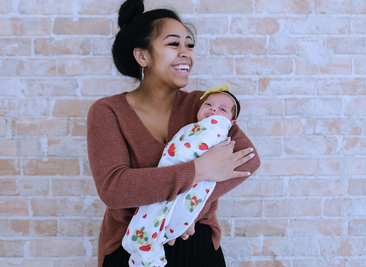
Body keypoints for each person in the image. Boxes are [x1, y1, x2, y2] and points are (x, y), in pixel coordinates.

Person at [86, 0, 261, 266]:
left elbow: (248, 159)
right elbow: (114, 188)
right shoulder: (108, 112)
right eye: (173, 44)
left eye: (189, 45)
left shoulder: (202, 105)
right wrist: (198, 171)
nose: (186, 53)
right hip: (131, 244)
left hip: (195, 239)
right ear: (142, 55)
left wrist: (186, 213)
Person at [122, 85, 241, 267]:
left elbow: (190, 151)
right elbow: (113, 189)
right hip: (170, 185)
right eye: (208, 104)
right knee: (151, 218)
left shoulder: (216, 128)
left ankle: (148, 256)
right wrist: (200, 168)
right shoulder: (194, 126)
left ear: (231, 122)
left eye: (222, 109)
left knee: (158, 220)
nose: (213, 109)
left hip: (191, 211)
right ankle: (145, 253)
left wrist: (193, 213)